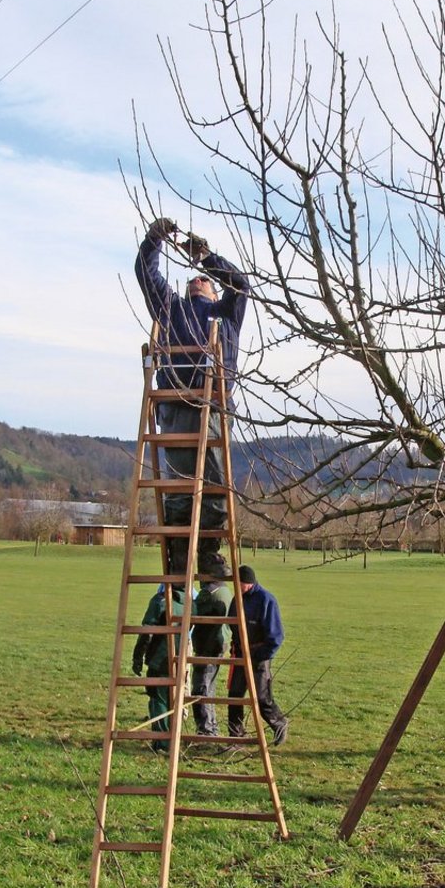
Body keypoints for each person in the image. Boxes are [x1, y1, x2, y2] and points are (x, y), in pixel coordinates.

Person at [135, 218, 249, 578]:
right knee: (181, 483)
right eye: (194, 280)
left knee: (214, 483)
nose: (198, 281)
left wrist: (205, 257)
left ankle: (209, 551)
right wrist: (156, 237)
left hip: (212, 405)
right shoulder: (171, 308)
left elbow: (241, 284)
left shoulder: (226, 314)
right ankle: (180, 550)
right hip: (175, 404)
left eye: (206, 281)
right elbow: (145, 272)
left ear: (215, 292)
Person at [226, 566, 288, 746]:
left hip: (259, 656)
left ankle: (280, 724)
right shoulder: (237, 599)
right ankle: (235, 738)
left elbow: (276, 636)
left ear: (248, 582)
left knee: (261, 697)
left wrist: (261, 655)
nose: (236, 587)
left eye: (239, 584)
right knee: (235, 695)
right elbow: (232, 622)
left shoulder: (266, 600)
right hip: (239, 654)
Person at [131, 584, 187, 754]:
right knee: (173, 699)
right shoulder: (189, 602)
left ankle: (162, 743)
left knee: (158, 699)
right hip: (181, 656)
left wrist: (137, 656)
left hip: (159, 658)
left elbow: (147, 631)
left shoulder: (160, 601)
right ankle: (172, 739)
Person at [191, 579, 229, 737]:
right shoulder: (225, 590)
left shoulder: (209, 593)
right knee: (209, 686)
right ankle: (211, 727)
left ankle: (206, 731)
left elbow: (193, 609)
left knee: (201, 688)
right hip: (219, 643)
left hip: (208, 644)